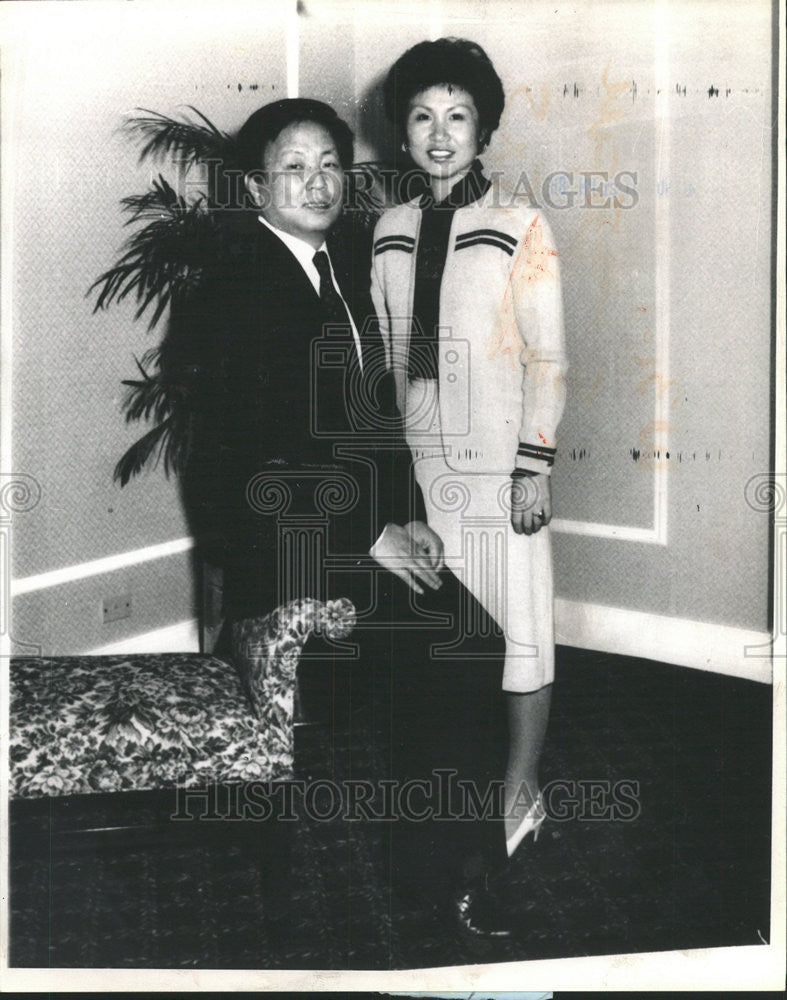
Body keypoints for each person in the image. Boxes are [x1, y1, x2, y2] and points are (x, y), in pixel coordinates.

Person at [164, 98, 509, 936]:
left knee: (467, 638)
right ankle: (439, 878)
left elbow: (369, 427)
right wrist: (365, 537)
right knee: (453, 640)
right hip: (275, 548)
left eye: (330, 167)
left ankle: (433, 859)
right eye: (295, 167)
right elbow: (237, 468)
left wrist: (409, 516)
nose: (318, 183)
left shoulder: (340, 268)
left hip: (352, 529)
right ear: (255, 186)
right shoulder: (231, 289)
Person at [372, 38, 568, 930]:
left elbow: (550, 357)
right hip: (422, 471)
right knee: (449, 653)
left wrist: (535, 463)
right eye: (421, 115)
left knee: (520, 635)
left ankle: (518, 797)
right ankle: (447, 813)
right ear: (402, 131)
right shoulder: (385, 229)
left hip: (500, 471)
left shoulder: (523, 225)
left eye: (457, 115)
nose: (439, 133)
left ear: (482, 126)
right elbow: (385, 362)